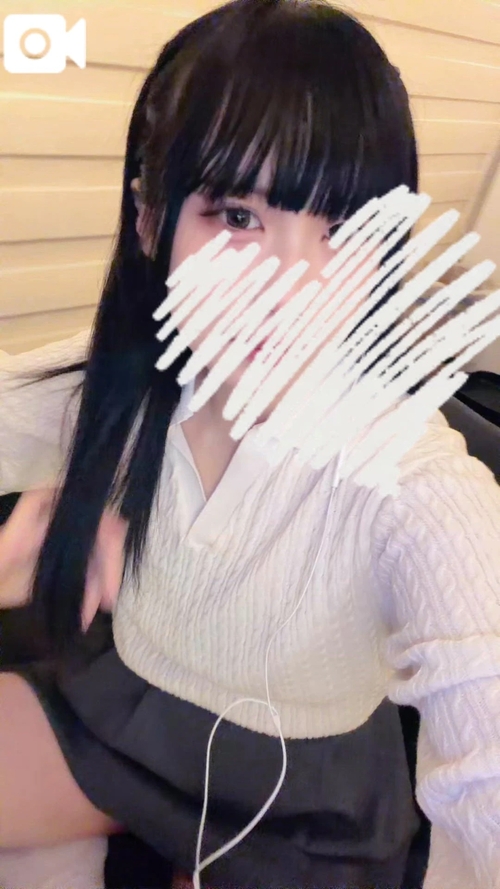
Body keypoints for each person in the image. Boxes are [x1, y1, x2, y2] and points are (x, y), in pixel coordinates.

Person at [0, 1, 499, 887]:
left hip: (304, 792)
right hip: (135, 706)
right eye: (237, 217)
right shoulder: (125, 376)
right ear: (151, 220)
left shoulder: (412, 476)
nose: (294, 288)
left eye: (345, 232)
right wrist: (48, 515)